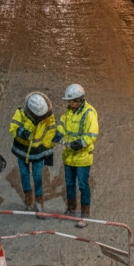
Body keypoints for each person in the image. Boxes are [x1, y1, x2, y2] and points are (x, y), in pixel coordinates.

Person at [55, 83, 99, 227]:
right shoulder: (69, 111)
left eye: (71, 101)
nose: (69, 103)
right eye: (69, 101)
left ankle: (85, 215)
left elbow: (91, 134)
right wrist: (58, 133)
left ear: (79, 100)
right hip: (69, 156)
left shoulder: (89, 113)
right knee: (69, 184)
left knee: (83, 186)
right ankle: (71, 209)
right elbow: (62, 125)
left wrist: (80, 143)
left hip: (82, 157)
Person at [9, 92, 55, 214]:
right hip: (22, 151)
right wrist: (27, 127)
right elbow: (13, 128)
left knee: (37, 176)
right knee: (24, 175)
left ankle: (39, 203)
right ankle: (28, 200)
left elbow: (51, 132)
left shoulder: (48, 117)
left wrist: (49, 150)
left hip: (38, 152)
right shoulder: (20, 113)